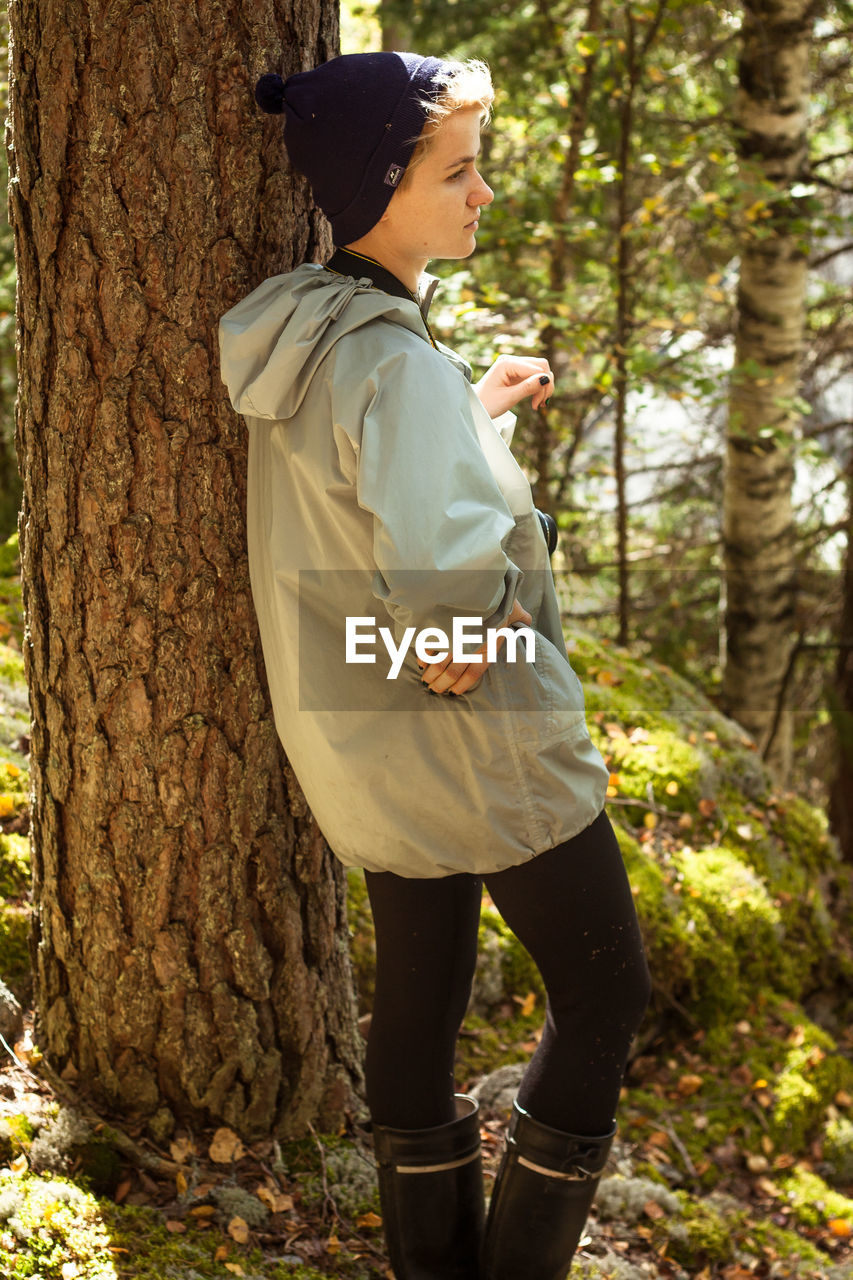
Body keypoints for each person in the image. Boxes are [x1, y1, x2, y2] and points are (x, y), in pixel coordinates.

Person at [219, 50, 651, 1280]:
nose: (482, 195)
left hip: (369, 750)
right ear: (379, 184)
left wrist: (472, 414)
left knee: (418, 1002)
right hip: (478, 752)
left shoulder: (312, 332)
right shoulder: (400, 366)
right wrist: (472, 613)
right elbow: (451, 601)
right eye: (458, 172)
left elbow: (370, 484)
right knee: (608, 999)